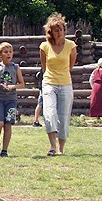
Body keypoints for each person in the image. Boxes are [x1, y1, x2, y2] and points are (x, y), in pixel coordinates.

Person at [39, 13, 77, 156]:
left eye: (61, 29)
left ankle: (61, 148)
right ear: (51, 32)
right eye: (56, 30)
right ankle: (52, 146)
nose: (59, 32)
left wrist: (62, 75)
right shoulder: (44, 46)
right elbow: (44, 66)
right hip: (49, 82)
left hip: (65, 83)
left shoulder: (71, 46)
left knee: (63, 116)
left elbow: (70, 65)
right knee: (49, 113)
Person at [0, 42, 25, 157]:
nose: (8, 54)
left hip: (11, 100)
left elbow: (22, 84)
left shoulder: (16, 67)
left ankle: (4, 150)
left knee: (8, 124)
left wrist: (12, 87)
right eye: (6, 52)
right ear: (0, 54)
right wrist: (0, 85)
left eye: (10, 52)